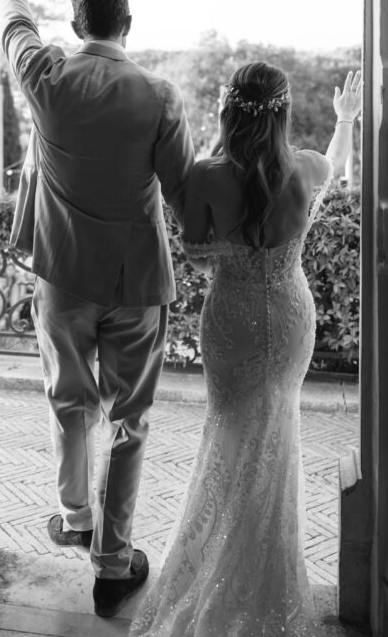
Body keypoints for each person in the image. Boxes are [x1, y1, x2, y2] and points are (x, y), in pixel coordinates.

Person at [0, 0, 195, 619]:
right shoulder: (161, 96)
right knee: (129, 421)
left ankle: (73, 513)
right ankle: (113, 564)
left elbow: (14, 22)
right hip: (136, 280)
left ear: (75, 26)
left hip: (61, 277)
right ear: (127, 27)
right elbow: (183, 191)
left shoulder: (45, 76)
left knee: (67, 400)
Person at [130, 61, 362, 637]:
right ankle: (270, 578)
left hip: (230, 321)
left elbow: (195, 252)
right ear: (282, 113)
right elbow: (339, 165)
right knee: (277, 438)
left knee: (230, 434)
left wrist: (231, 255)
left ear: (227, 111)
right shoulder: (307, 168)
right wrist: (346, 119)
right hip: (289, 319)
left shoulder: (205, 178)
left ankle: (216, 567)